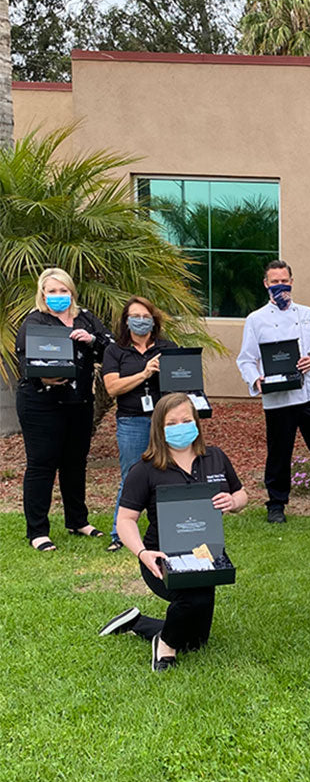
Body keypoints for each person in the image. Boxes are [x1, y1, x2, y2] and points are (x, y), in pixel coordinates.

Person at [97, 393, 248, 671]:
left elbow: (241, 494)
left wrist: (234, 501)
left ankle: (136, 622)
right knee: (194, 599)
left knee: (195, 641)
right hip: (161, 557)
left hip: (207, 555)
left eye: (186, 420)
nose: (181, 427)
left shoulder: (214, 458)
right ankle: (164, 645)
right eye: (172, 422)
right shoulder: (144, 470)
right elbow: (125, 520)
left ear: (197, 423)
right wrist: (143, 553)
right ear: (159, 428)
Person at [236, 258, 310, 523]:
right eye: (275, 282)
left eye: (284, 281)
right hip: (278, 397)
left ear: (292, 282)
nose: (280, 286)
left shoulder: (307, 314)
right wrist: (256, 379)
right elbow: (246, 359)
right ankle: (276, 503)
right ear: (266, 284)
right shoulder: (255, 319)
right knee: (279, 452)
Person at [14, 267, 114, 551]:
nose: (58, 296)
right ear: (43, 294)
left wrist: (91, 339)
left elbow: (112, 348)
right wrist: (40, 375)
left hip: (80, 402)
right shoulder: (34, 321)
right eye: (52, 291)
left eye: (63, 290)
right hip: (40, 403)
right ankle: (37, 531)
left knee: (75, 463)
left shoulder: (85, 318)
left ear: (72, 292)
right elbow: (22, 360)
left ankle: (77, 520)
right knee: (42, 464)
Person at [101, 296, 178, 551]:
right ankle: (119, 533)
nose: (141, 321)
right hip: (131, 420)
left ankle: (171, 530)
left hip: (165, 421)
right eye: (135, 316)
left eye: (146, 317)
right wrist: (144, 373)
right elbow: (112, 387)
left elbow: (181, 381)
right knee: (131, 477)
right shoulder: (115, 351)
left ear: (154, 321)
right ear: (126, 320)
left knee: (170, 475)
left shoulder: (168, 348)